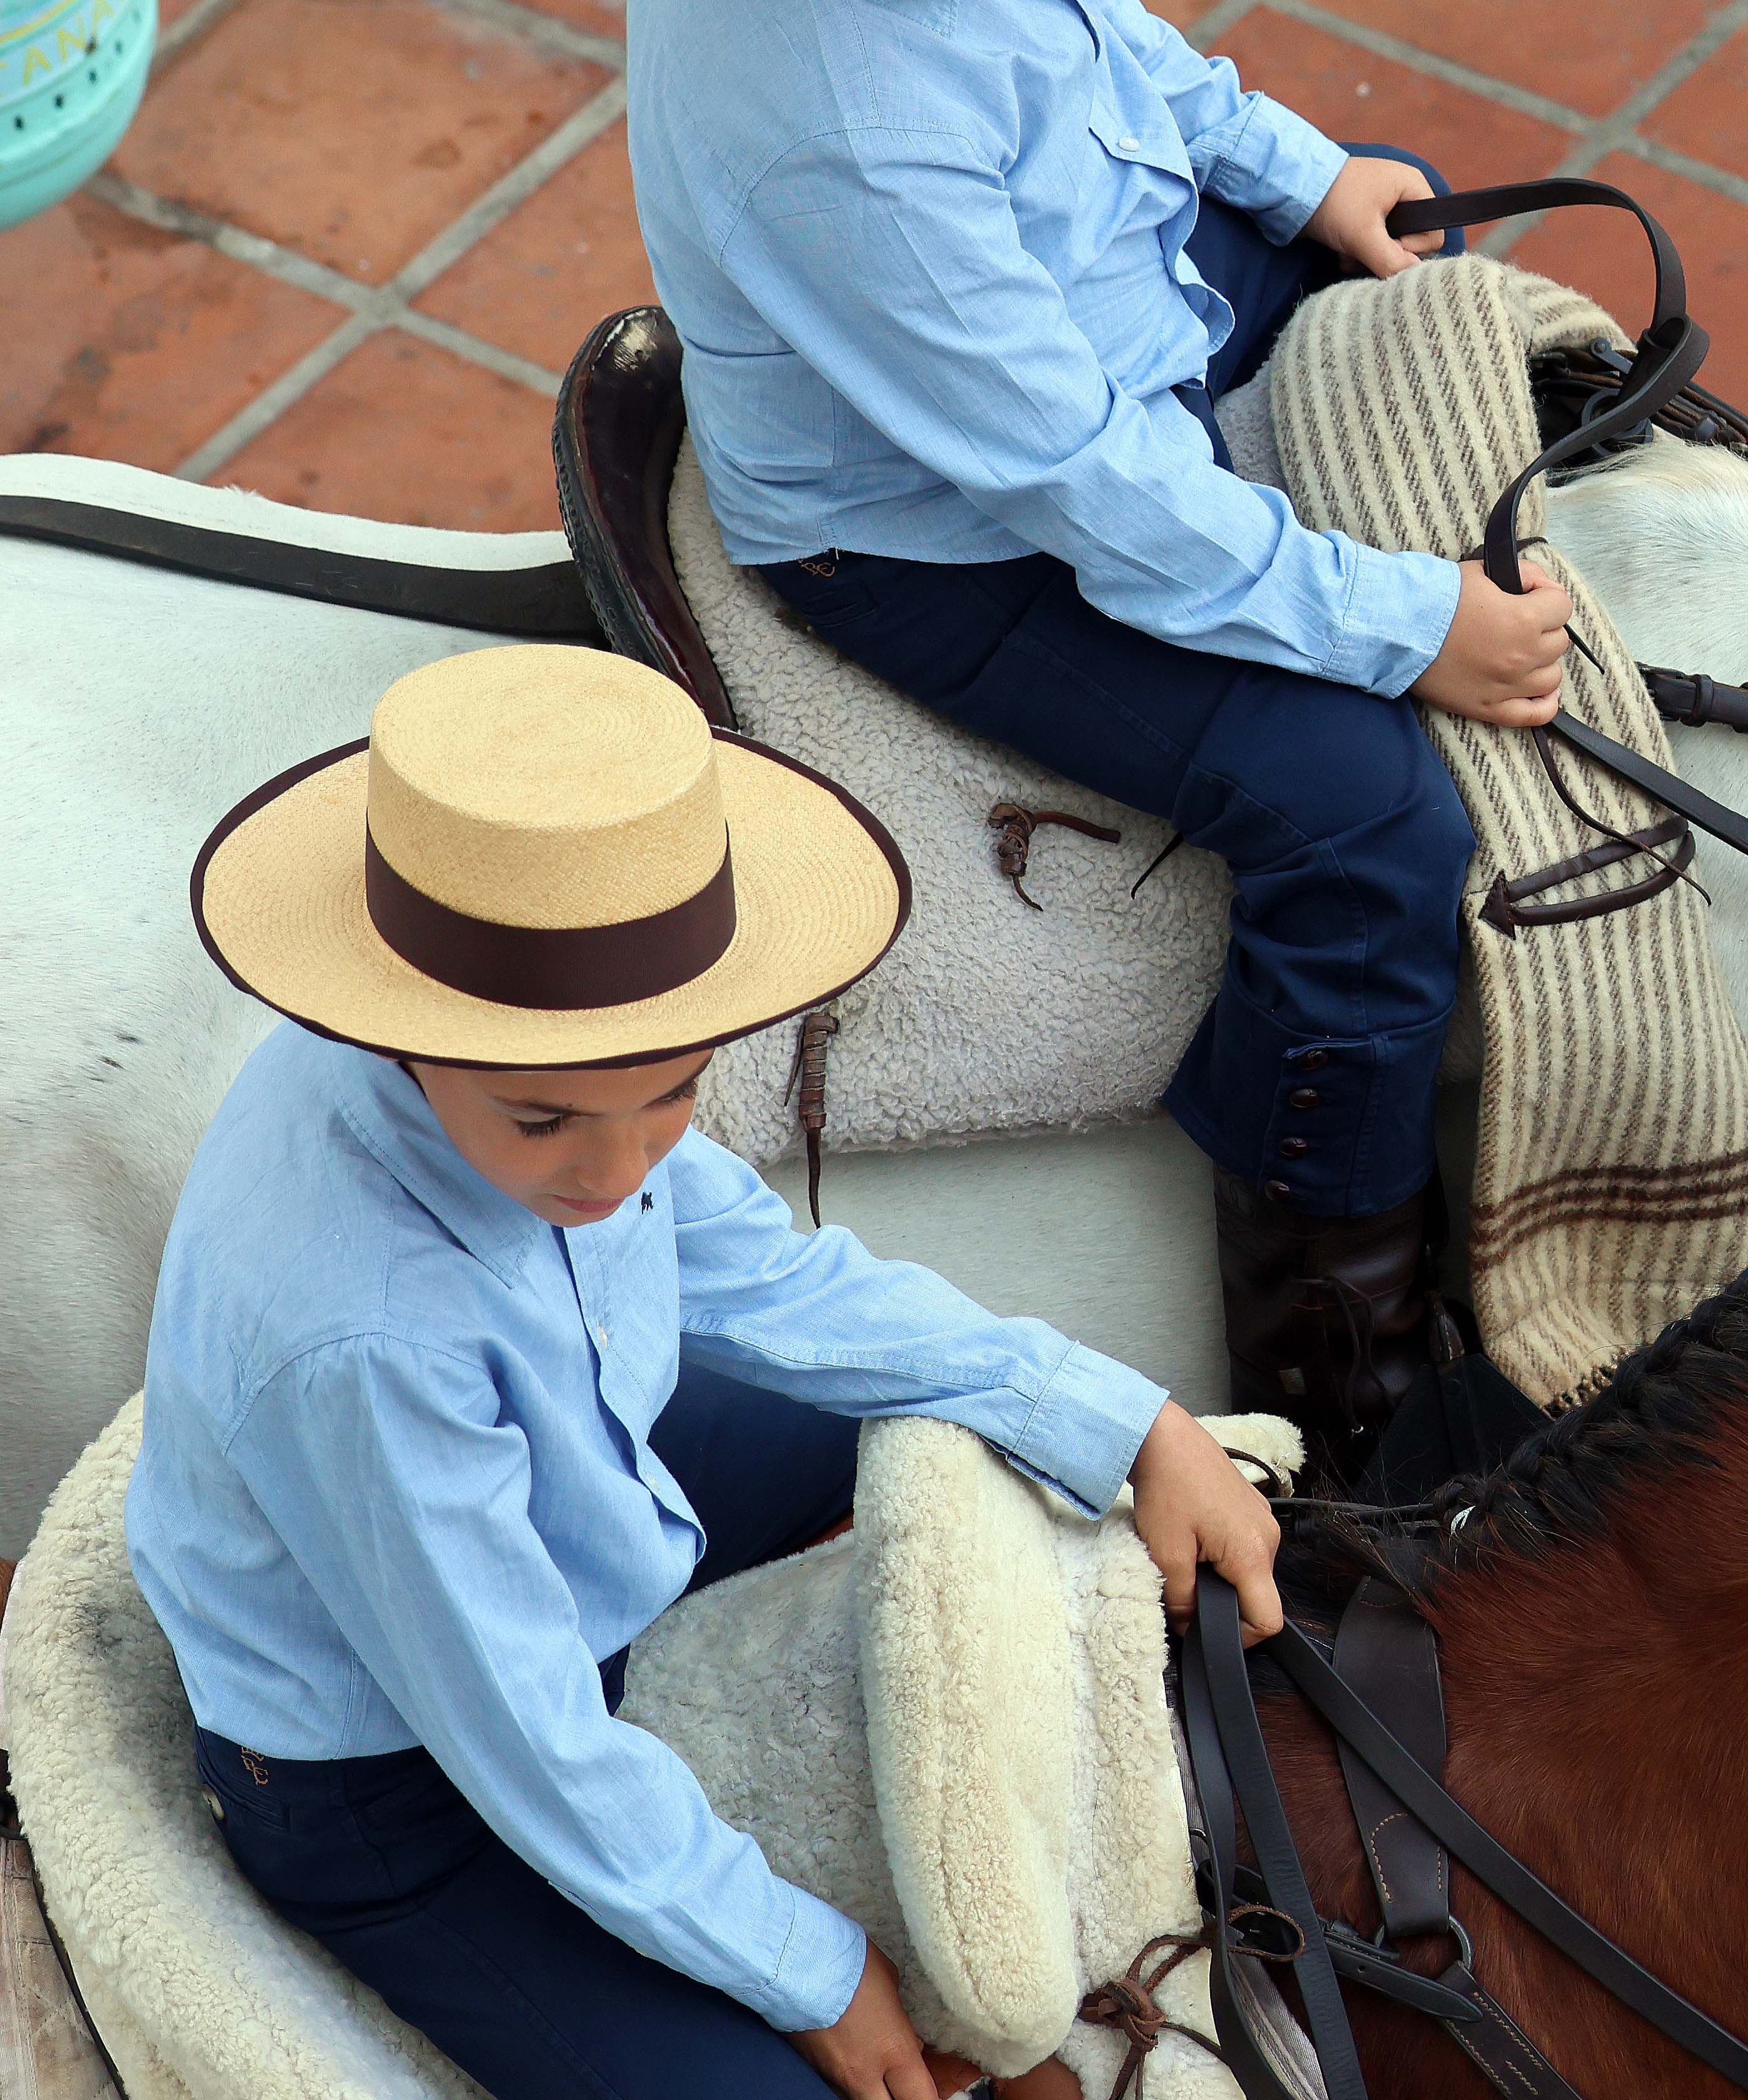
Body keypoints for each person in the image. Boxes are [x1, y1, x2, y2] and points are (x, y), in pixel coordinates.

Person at [513, 0, 1578, 1484]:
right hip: (936, 543)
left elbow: (1092, 19)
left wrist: (1294, 168)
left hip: (1100, 308)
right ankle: (1342, 1354)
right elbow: (1087, 491)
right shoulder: (847, 118)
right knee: (1364, 821)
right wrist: (1400, 629)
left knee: (1408, 238)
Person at [139, 641, 1286, 2100]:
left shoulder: (545, 1087)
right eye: (544, 1122)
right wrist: (811, 1966)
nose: (619, 1172)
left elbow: (772, 1276)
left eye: (671, 1090)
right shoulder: (358, 1341)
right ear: (405, 1029)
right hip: (394, 1792)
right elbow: (528, 1739)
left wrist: (1127, 1419)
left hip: (563, 1492)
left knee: (960, 1423)